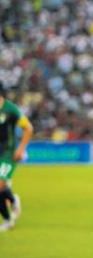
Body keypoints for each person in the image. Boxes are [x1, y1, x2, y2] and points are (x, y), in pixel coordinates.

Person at [0, 84, 33, 231]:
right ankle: (11, 209)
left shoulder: (10, 109)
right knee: (1, 188)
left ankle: (11, 209)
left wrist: (20, 149)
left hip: (8, 152)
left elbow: (28, 128)